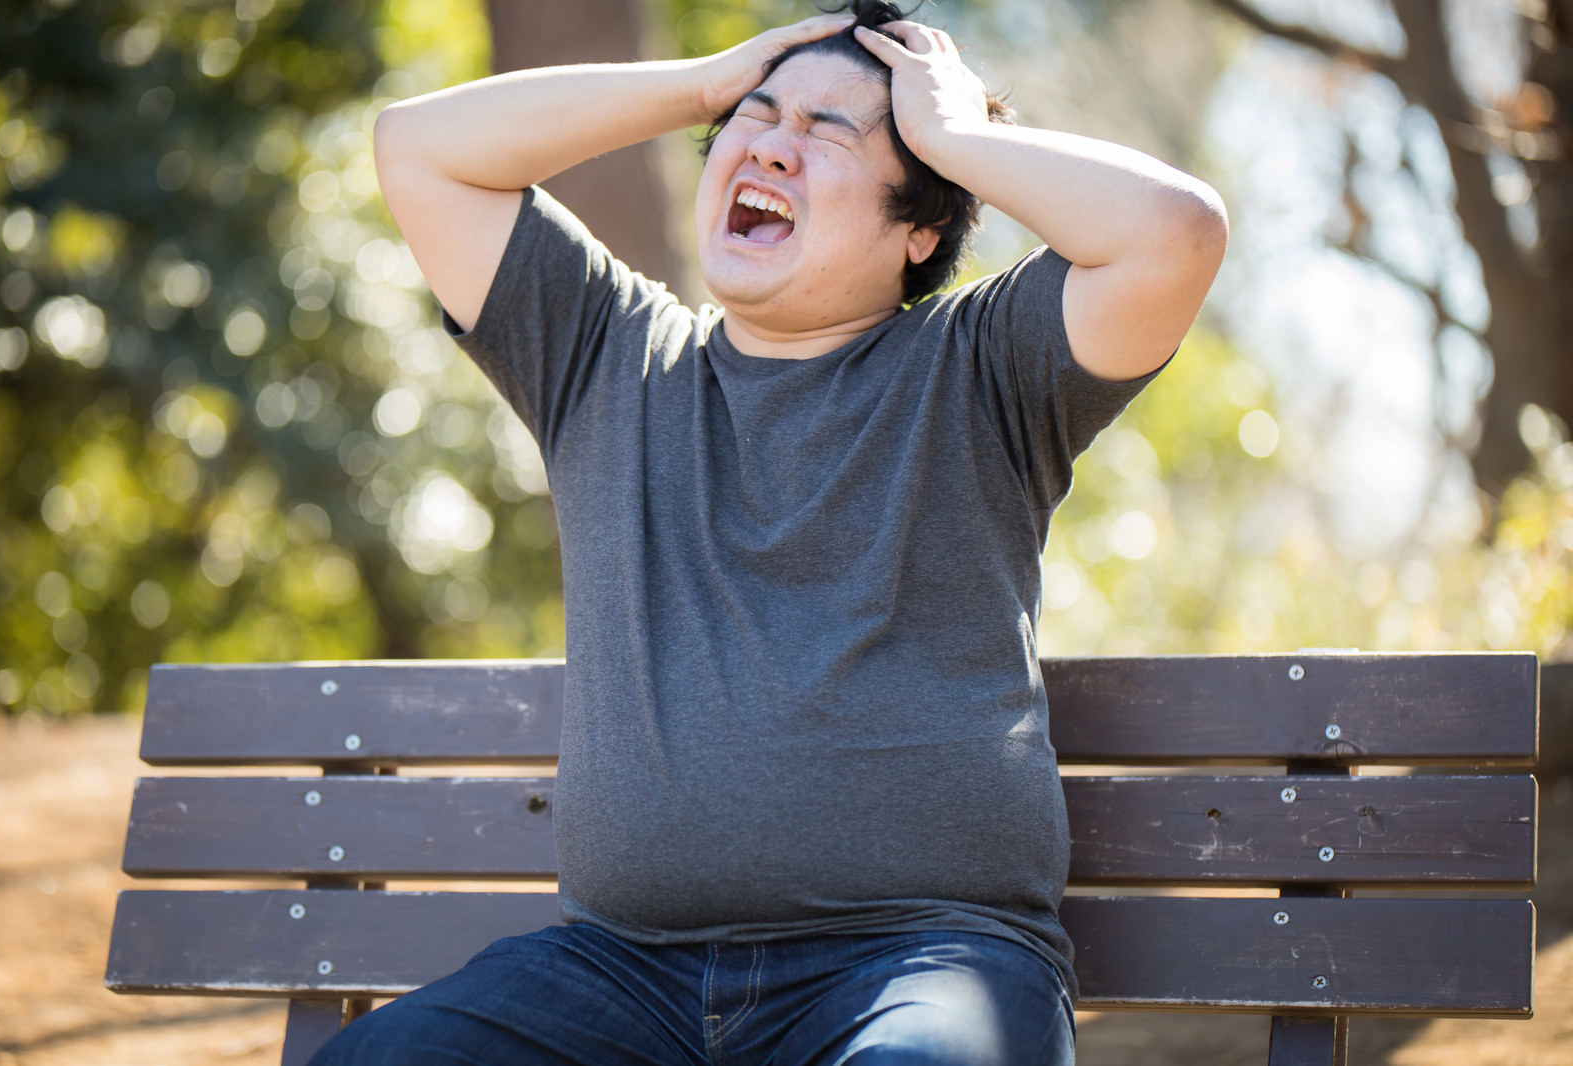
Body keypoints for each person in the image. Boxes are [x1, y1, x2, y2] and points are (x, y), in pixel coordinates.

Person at [321, 1, 1226, 1063]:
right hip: (621, 972)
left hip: (921, 963)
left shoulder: (982, 366)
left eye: (828, 133)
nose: (768, 145)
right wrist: (704, 83)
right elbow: (418, 149)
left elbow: (1176, 236)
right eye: (755, 120)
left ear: (917, 227)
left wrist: (959, 141)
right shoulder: (606, 358)